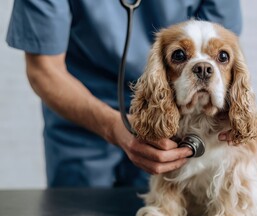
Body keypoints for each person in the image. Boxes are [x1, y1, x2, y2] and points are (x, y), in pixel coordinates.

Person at [6, 0, 242, 188]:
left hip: (176, 123)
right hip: (80, 118)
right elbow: (43, 69)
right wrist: (114, 126)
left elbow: (217, 49)